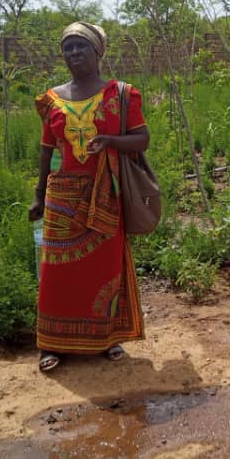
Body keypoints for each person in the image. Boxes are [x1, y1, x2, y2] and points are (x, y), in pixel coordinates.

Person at [28, 22, 150, 372]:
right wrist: (38, 195)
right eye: (68, 48)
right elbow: (47, 150)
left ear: (98, 51)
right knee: (56, 272)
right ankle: (51, 343)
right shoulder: (50, 100)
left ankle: (106, 337)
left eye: (82, 46)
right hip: (62, 197)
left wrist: (111, 141)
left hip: (106, 194)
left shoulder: (121, 95)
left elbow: (142, 140)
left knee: (104, 268)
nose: (75, 53)